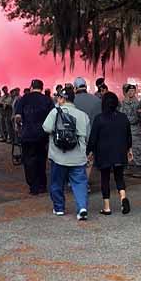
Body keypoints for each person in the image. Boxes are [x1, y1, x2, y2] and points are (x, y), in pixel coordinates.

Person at [42, 86, 91, 220]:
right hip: (78, 158)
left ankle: (59, 208)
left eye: (59, 97)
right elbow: (87, 136)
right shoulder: (83, 115)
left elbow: (46, 128)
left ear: (62, 99)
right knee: (80, 183)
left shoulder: (55, 112)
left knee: (57, 183)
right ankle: (82, 208)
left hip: (58, 156)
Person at [87, 92, 133, 214]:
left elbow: (93, 138)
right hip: (119, 152)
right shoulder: (123, 117)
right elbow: (128, 136)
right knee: (119, 176)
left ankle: (107, 207)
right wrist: (129, 149)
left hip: (104, 153)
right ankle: (123, 198)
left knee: (105, 178)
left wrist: (89, 151)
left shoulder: (99, 118)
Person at [14, 79, 54, 195]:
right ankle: (42, 185)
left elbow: (17, 117)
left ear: (31, 87)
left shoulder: (23, 99)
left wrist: (19, 127)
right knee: (41, 160)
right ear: (42, 87)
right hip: (42, 135)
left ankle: (33, 186)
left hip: (27, 135)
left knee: (28, 160)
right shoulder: (47, 99)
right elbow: (53, 116)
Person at [120, 83, 141, 177]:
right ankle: (127, 168)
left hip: (134, 130)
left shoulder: (138, 103)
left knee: (137, 149)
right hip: (125, 130)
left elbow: (136, 118)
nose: (130, 92)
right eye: (129, 91)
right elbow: (120, 114)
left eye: (132, 91)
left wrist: (125, 119)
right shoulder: (123, 102)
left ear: (135, 92)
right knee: (124, 149)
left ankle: (140, 169)